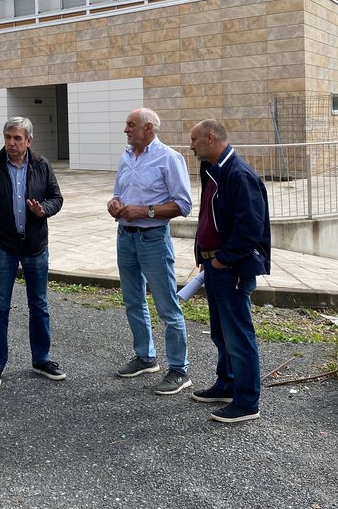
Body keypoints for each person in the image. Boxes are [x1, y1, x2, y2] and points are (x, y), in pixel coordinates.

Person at [0, 117, 65, 388]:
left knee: (39, 305)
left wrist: (43, 209)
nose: (11, 143)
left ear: (29, 141)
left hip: (35, 246)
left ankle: (41, 359)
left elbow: (56, 198)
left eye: (17, 138)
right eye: (7, 137)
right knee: (0, 307)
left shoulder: (41, 165)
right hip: (4, 248)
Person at [188, 119, 270, 423]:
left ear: (210, 138)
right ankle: (227, 383)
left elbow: (251, 228)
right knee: (222, 332)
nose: (191, 146)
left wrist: (223, 260)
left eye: (195, 140)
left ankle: (247, 401)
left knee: (238, 334)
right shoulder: (215, 171)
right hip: (214, 267)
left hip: (231, 269)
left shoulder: (238, 174)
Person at [107, 107, 194, 395]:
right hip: (125, 237)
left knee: (167, 306)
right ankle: (146, 357)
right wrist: (115, 204)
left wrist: (145, 210)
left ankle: (180, 370)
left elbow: (183, 205)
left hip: (153, 239)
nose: (125, 130)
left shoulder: (169, 158)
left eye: (130, 125)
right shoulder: (126, 156)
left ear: (148, 128)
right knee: (133, 301)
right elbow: (118, 193)